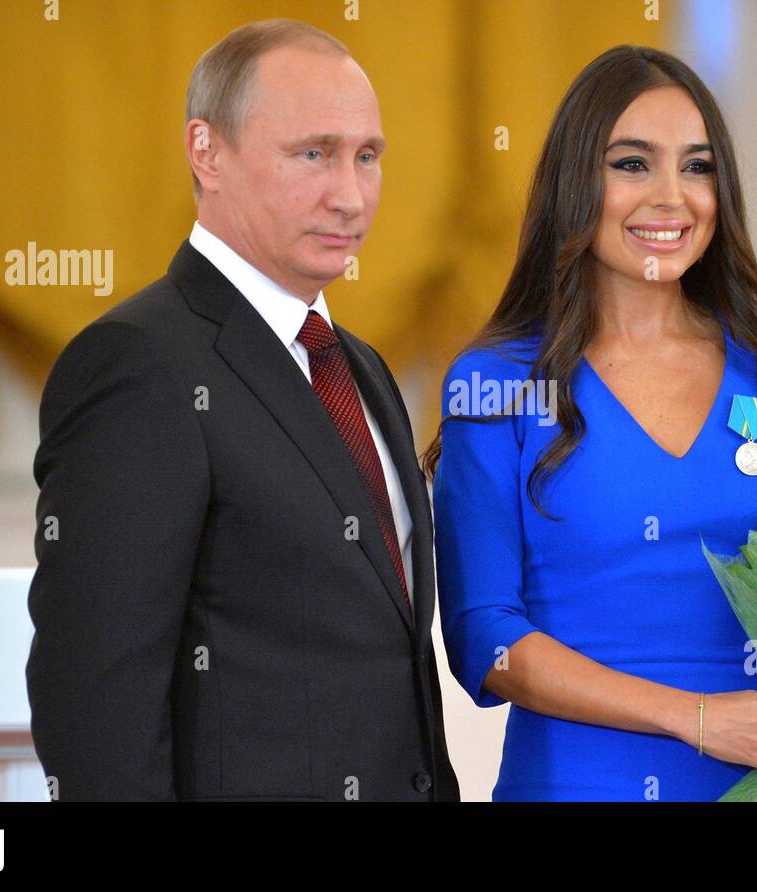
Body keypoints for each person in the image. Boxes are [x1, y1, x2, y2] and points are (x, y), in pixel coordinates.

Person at [425, 45, 757, 801]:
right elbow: (486, 641)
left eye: (698, 166)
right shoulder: (496, 385)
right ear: (574, 181)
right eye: (633, 164)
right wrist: (698, 717)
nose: (673, 197)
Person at [26, 19, 459, 801]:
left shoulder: (359, 366)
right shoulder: (137, 363)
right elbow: (95, 697)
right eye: (314, 154)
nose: (351, 194)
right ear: (207, 152)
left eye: (368, 156)